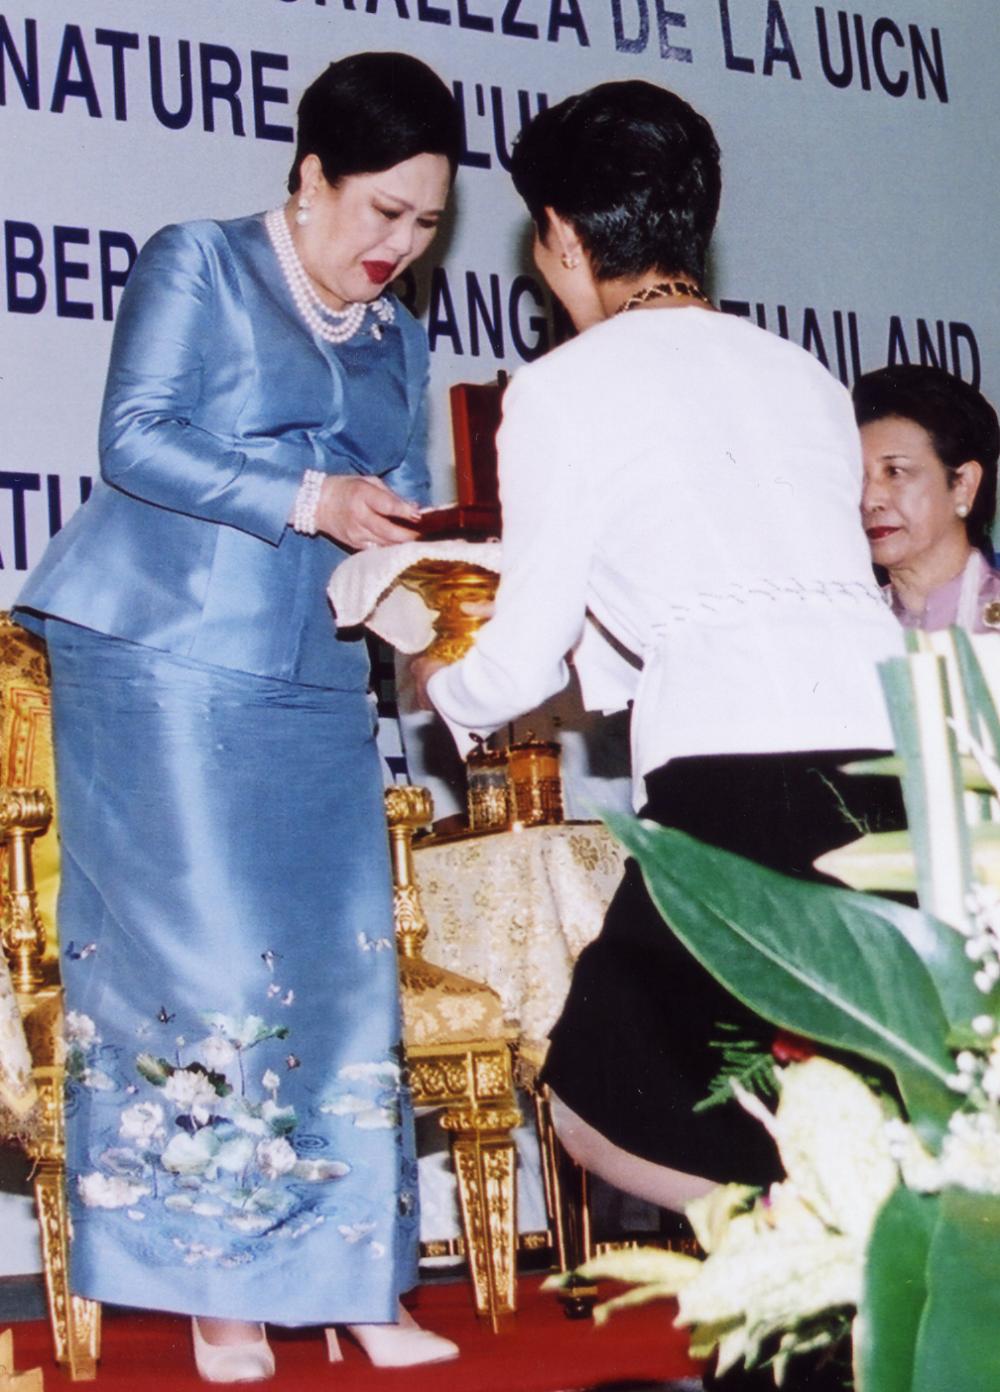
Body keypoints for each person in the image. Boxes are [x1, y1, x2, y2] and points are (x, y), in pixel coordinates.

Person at [15, 52, 461, 1383]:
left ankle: (354, 1279)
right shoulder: (198, 263)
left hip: (315, 671)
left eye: (427, 222)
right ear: (309, 177)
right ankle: (223, 1292)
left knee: (341, 962)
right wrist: (310, 502)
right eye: (380, 209)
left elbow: (405, 489)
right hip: (161, 658)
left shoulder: (399, 331)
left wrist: (422, 579)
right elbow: (136, 436)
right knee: (205, 965)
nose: (401, 244)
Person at [412, 81, 906, 1217]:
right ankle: (830, 1279)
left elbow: (523, 655)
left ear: (566, 239)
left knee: (598, 1100)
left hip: (733, 771)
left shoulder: (557, 390)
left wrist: (450, 682)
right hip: (885, 756)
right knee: (843, 1084)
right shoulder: (804, 374)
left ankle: (789, 1257)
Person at [856, 364, 1000, 632]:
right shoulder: (852, 628)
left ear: (963, 484)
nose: (869, 500)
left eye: (895, 472)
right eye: (860, 476)